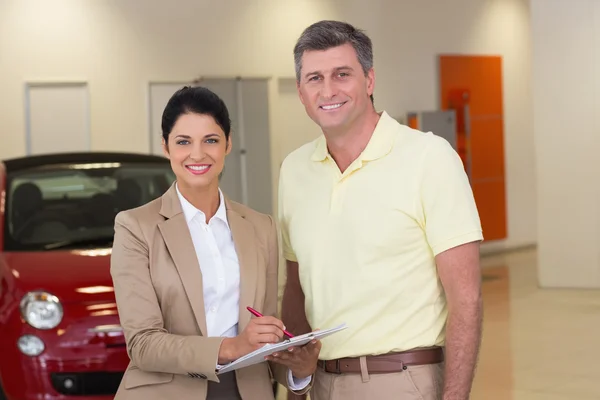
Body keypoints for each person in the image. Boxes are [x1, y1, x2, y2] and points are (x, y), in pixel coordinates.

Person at [278, 20, 484, 400]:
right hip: (323, 383)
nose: (328, 90)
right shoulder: (293, 171)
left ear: (369, 81)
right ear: (301, 92)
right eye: (315, 78)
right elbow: (297, 289)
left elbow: (466, 298)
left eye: (342, 74)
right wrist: (298, 390)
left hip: (403, 379)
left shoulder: (429, 158)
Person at [110, 86, 320, 400]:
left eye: (210, 140)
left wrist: (298, 370)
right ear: (165, 146)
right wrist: (231, 347)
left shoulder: (261, 228)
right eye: (183, 142)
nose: (197, 154)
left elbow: (265, 336)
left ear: (228, 143)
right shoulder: (136, 227)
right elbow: (143, 344)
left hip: (247, 390)